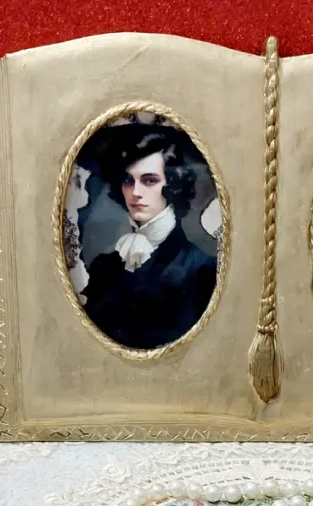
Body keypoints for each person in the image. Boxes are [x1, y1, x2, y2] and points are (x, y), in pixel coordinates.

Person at [82, 124, 217, 350]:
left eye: (149, 180)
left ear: (173, 184)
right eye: (128, 180)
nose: (135, 192)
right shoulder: (104, 267)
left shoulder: (200, 267)